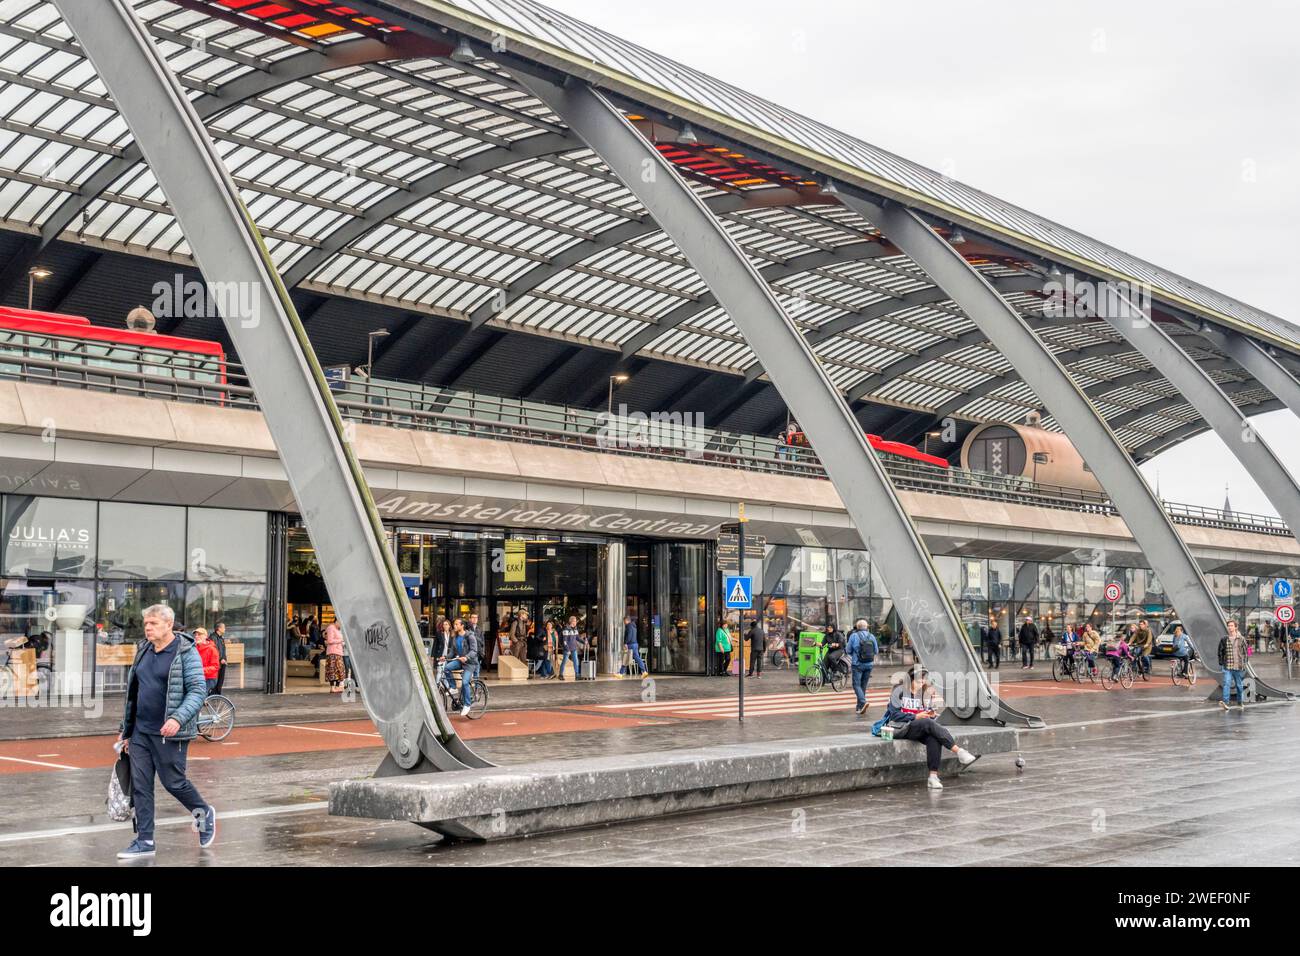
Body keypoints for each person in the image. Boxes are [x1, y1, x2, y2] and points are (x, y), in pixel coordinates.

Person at [115, 604, 216, 858]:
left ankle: (204, 813)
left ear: (168, 625)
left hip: (170, 732)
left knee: (174, 783)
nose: (148, 628)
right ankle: (145, 841)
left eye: (153, 623)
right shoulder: (143, 649)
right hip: (140, 731)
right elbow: (133, 693)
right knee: (140, 785)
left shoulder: (185, 652)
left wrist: (177, 719)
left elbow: (197, 690)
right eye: (146, 624)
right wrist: (125, 730)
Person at [878, 667, 979, 789]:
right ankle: (959, 751)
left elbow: (926, 713)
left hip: (920, 727)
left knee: (934, 737)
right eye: (918, 681)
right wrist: (915, 716)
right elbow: (895, 715)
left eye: (923, 681)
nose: (921, 684)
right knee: (926, 722)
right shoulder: (898, 692)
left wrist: (931, 714)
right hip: (902, 727)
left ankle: (933, 776)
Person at [441, 618, 479, 716]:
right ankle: (453, 687)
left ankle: (467, 704)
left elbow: (474, 651)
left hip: (470, 663)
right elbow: (453, 652)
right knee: (447, 668)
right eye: (454, 624)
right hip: (460, 661)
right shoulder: (455, 637)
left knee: (465, 682)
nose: (455, 626)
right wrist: (445, 657)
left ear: (462, 626)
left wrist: (466, 657)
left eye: (457, 624)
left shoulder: (470, 636)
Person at [846, 619, 879, 716]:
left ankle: (863, 702)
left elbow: (848, 650)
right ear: (866, 627)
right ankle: (859, 707)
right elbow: (876, 651)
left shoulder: (854, 636)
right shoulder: (871, 636)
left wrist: (855, 653)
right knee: (863, 686)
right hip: (869, 664)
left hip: (857, 664)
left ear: (857, 627)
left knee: (856, 685)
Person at [1219, 619, 1250, 710]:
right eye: (1229, 626)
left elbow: (1248, 651)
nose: (1230, 627)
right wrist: (1221, 661)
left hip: (1238, 666)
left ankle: (1240, 702)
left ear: (1235, 627)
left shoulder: (1241, 638)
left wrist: (1245, 662)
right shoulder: (1224, 639)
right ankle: (1225, 702)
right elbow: (1220, 651)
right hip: (1227, 666)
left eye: (1232, 625)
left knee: (1239, 686)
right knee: (1226, 683)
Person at [193, 627, 220, 695]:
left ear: (205, 636)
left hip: (209, 678)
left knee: (198, 696)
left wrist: (201, 670)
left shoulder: (212, 649)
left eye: (199, 634)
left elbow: (215, 667)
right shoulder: (195, 648)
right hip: (198, 677)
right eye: (195, 635)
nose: (196, 636)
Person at [323, 621, 346, 693]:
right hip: (333, 652)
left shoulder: (338, 629)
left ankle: (337, 687)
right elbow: (329, 640)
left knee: (340, 670)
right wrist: (340, 640)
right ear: (337, 621)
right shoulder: (331, 628)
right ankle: (332, 687)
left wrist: (342, 642)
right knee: (332, 670)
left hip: (339, 652)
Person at [558, 614, 581, 681]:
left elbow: (578, 638)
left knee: (576, 662)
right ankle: (561, 675)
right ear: (572, 622)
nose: (576, 622)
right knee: (564, 661)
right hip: (567, 648)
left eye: (576, 621)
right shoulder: (566, 629)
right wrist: (567, 649)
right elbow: (564, 641)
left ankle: (577, 675)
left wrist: (584, 642)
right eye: (575, 621)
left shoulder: (575, 629)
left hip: (574, 648)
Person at [210, 621, 228, 696]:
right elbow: (215, 650)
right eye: (223, 627)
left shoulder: (221, 638)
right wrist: (221, 659)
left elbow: (223, 650)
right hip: (216, 662)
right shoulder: (213, 637)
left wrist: (224, 658)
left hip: (222, 662)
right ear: (219, 628)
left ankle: (217, 694)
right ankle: (212, 695)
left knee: (220, 680)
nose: (225, 629)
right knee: (215, 680)